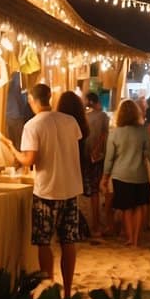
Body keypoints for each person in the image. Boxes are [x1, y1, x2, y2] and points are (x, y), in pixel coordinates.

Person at [8, 84, 86, 295]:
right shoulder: (70, 121)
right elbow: (74, 145)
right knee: (68, 241)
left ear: (33, 101)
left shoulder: (32, 126)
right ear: (49, 98)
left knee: (44, 242)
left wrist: (13, 150)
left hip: (46, 191)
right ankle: (68, 290)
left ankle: (50, 288)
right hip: (70, 188)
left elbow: (30, 159)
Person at [102, 99, 150, 247]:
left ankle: (129, 238)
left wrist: (105, 177)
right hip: (140, 175)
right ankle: (136, 237)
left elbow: (109, 158)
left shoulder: (115, 133)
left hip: (120, 175)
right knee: (139, 206)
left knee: (127, 208)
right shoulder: (143, 131)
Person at [56, 92, 95, 239]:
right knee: (71, 199)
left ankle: (79, 228)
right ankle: (79, 228)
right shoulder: (81, 124)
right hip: (78, 163)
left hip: (65, 163)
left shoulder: (62, 125)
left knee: (65, 201)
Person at [84, 92, 110, 235]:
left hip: (90, 156)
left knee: (94, 191)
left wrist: (95, 149)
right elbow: (104, 134)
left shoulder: (89, 116)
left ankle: (96, 222)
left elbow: (102, 134)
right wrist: (98, 149)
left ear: (90, 101)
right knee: (99, 190)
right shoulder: (102, 116)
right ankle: (98, 222)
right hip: (98, 156)